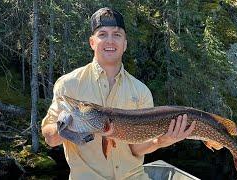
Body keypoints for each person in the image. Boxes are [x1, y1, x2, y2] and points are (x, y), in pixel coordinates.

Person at [41, 7, 196, 180]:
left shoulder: (141, 90)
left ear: (125, 44)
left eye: (117, 35)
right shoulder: (68, 84)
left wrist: (161, 141)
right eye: (102, 34)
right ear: (92, 42)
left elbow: (136, 148)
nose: (110, 41)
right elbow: (49, 138)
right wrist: (64, 127)